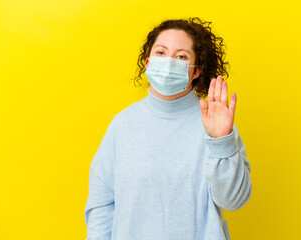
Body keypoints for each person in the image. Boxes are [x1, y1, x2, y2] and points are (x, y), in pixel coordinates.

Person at [84, 17, 252, 240]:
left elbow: (233, 201)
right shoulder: (123, 124)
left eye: (181, 56)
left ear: (196, 72)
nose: (169, 61)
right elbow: (101, 204)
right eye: (161, 53)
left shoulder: (217, 125)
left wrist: (221, 141)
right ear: (147, 63)